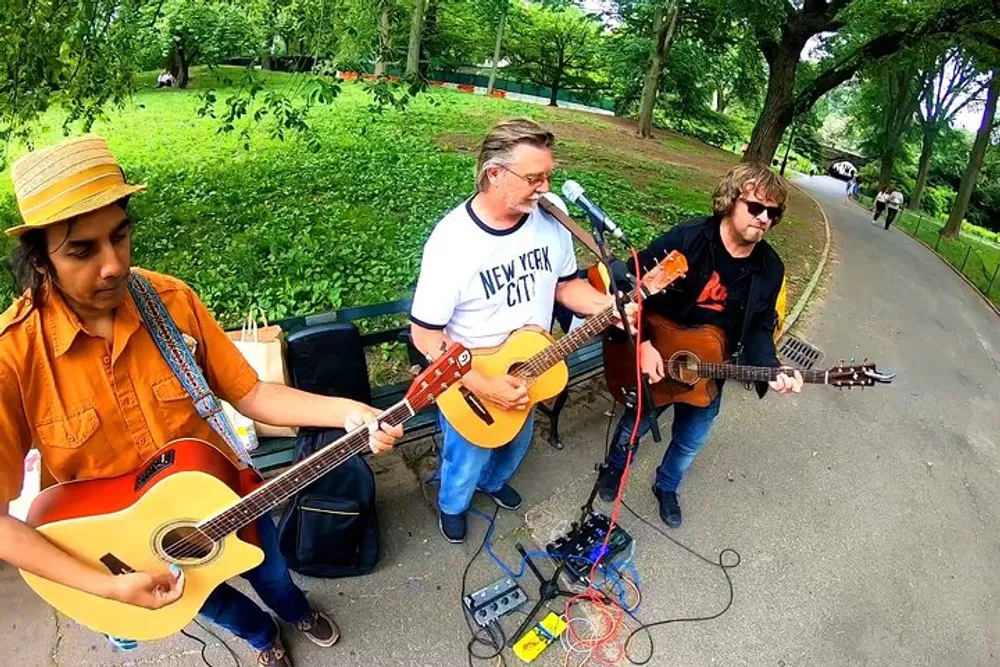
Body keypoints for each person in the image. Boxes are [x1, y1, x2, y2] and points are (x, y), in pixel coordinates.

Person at [0, 135, 403, 667]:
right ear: (39, 259)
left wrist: (352, 414)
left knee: (274, 571)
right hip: (131, 548)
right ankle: (264, 639)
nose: (113, 265)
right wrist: (107, 588)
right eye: (81, 250)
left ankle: (296, 611)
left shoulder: (170, 302)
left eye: (120, 237)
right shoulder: (13, 354)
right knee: (211, 604)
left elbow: (252, 392)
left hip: (228, 497)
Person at [409, 118, 629, 544]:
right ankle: (452, 505)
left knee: (516, 442)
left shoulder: (551, 218)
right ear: (494, 174)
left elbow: (566, 285)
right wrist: (483, 384)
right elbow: (425, 336)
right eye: (533, 178)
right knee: (465, 457)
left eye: (549, 175)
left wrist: (608, 307)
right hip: (471, 378)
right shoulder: (452, 242)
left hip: (532, 360)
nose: (545, 187)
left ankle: (492, 484)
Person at [597, 164, 804, 528]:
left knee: (691, 441)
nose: (765, 218)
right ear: (730, 200)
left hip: (707, 370)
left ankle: (666, 486)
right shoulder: (688, 239)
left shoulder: (770, 268)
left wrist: (771, 368)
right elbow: (628, 287)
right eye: (756, 207)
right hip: (655, 354)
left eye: (774, 212)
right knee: (633, 428)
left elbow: (759, 325)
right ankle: (613, 470)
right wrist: (643, 343)